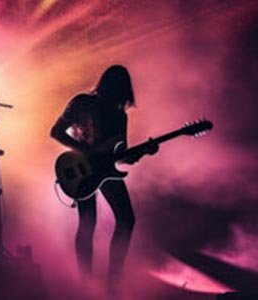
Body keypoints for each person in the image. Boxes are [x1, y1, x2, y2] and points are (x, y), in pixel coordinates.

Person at [50, 65, 156, 294]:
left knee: (125, 219)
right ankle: (86, 282)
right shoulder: (81, 102)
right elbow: (56, 131)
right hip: (81, 170)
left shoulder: (120, 116)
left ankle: (112, 280)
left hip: (106, 171)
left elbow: (122, 156)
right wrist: (83, 149)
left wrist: (145, 151)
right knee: (90, 221)